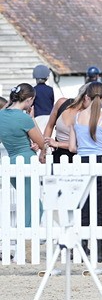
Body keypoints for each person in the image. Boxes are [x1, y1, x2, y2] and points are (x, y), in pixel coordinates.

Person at [69, 82, 102, 263]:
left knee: (83, 207)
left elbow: (73, 148)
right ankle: (100, 249)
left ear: (86, 97)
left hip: (81, 163)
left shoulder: (77, 118)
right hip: (100, 163)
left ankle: (80, 248)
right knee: (100, 207)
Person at [1, 84, 48, 228]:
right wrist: (32, 119)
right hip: (27, 161)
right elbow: (42, 143)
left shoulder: (1, 115)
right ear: (28, 99)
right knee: (34, 205)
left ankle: (21, 237)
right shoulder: (24, 119)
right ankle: (24, 238)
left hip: (11, 161)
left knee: (27, 202)